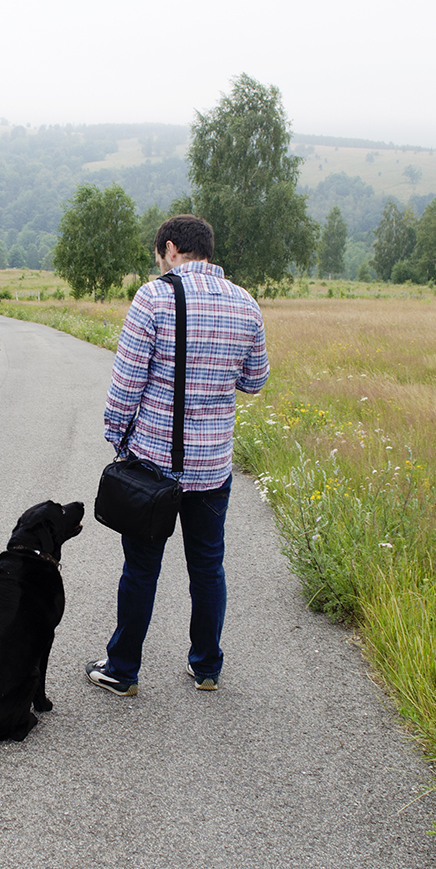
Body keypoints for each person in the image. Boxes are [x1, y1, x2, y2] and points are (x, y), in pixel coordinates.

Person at [86, 214, 268, 696]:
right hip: (212, 468)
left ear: (170, 249)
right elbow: (255, 381)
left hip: (154, 465)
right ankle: (206, 667)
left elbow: (126, 383)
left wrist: (117, 439)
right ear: (206, 250)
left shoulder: (155, 297)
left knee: (141, 569)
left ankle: (122, 670)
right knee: (208, 566)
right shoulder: (246, 303)